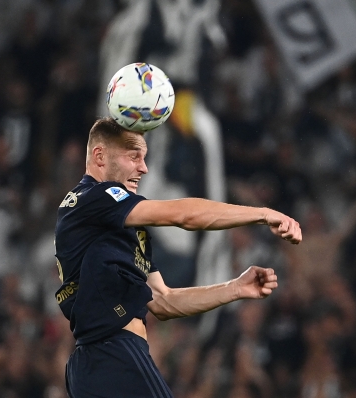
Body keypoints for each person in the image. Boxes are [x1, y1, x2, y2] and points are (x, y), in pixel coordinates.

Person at [55, 117, 302, 398]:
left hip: (99, 362)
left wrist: (234, 288)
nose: (143, 168)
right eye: (133, 157)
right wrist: (262, 214)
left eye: (144, 158)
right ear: (100, 156)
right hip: (112, 353)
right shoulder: (91, 197)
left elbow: (163, 301)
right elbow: (184, 214)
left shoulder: (118, 227)